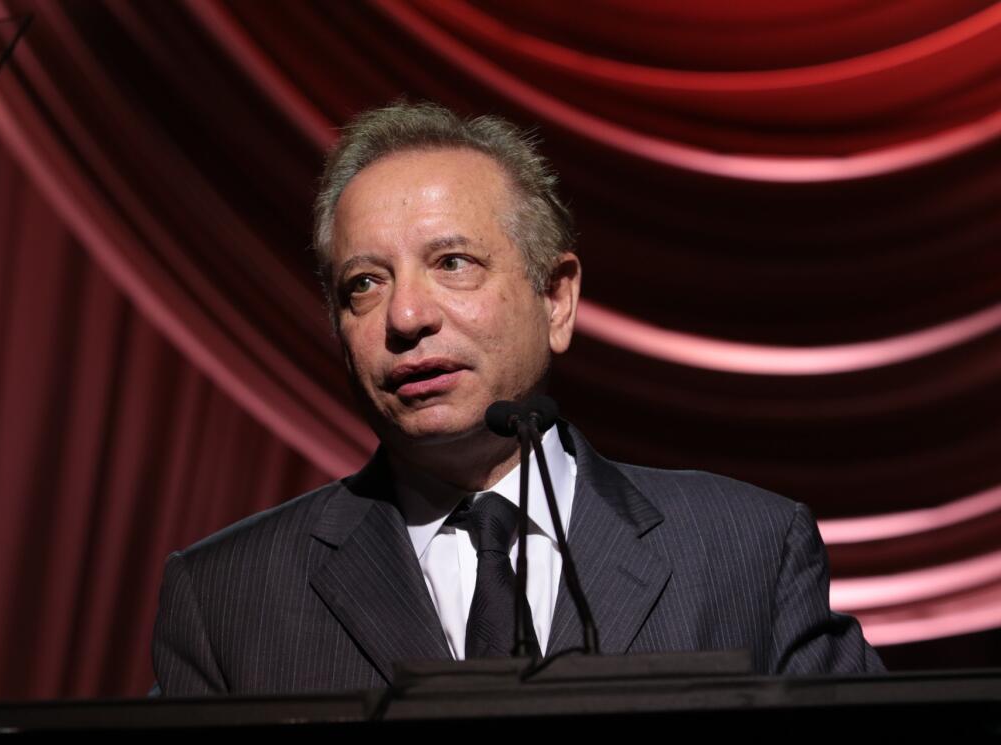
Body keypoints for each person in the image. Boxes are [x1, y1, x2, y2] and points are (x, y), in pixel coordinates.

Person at [152, 101, 884, 696]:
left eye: (453, 262)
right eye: (364, 284)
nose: (405, 317)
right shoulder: (227, 599)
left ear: (557, 299)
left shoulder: (746, 552)